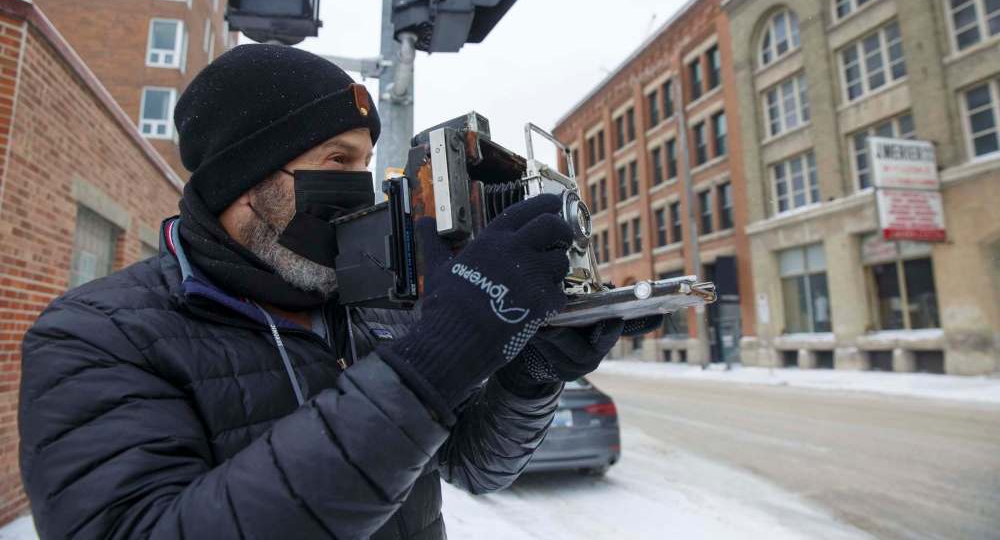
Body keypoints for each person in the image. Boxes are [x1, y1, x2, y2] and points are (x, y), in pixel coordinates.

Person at [18, 44, 654, 540]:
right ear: (245, 176)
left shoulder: (371, 307)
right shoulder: (96, 335)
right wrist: (429, 368)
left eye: (367, 162)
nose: (365, 187)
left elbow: (473, 467)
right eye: (337, 160)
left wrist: (530, 375)